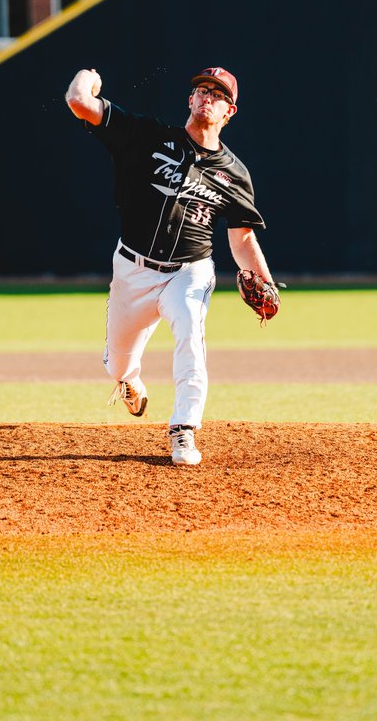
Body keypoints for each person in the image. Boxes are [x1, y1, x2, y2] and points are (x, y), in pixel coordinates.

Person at [65, 66, 277, 466]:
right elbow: (79, 102)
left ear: (230, 111)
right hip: (132, 269)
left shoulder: (234, 173)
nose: (207, 97)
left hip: (189, 272)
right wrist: (87, 77)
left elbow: (243, 238)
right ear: (190, 100)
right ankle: (128, 380)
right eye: (201, 90)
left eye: (217, 94)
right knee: (119, 362)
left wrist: (266, 283)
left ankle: (184, 430)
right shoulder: (146, 136)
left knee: (191, 338)